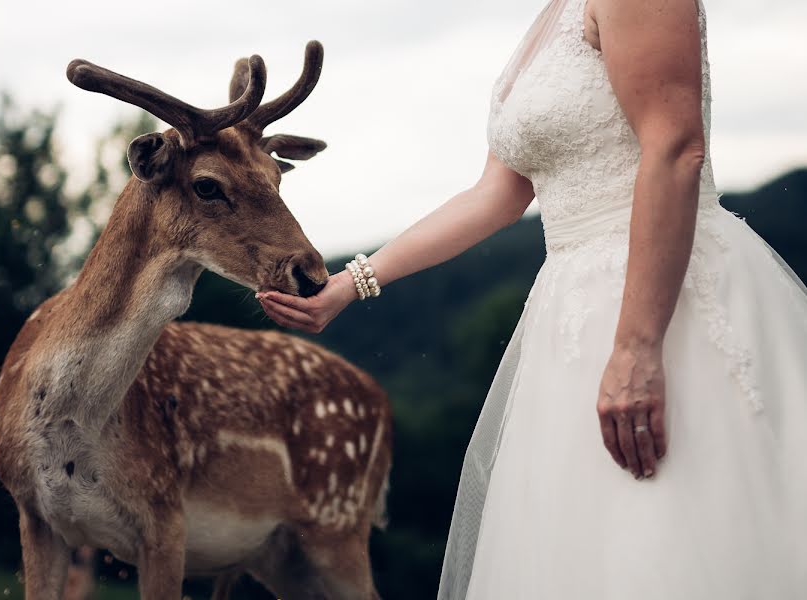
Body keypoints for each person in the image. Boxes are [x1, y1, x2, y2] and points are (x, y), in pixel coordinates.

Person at [257, 0, 807, 597]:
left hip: (665, 306)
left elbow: (676, 149)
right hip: (569, 322)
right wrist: (352, 282)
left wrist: (638, 346)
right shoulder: (551, 18)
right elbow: (496, 194)